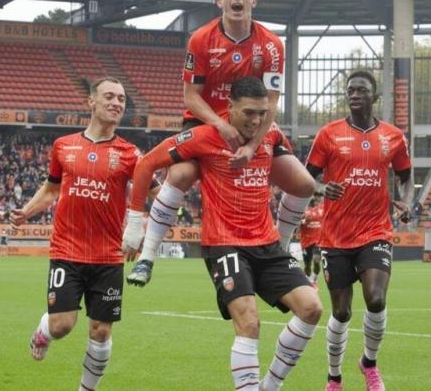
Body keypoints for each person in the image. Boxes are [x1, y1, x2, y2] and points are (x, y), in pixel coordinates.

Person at [125, 76, 321, 391]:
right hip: (224, 244)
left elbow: (300, 180)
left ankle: (270, 386)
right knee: (249, 322)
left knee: (312, 308)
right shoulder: (204, 137)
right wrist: (136, 219)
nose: (256, 120)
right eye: (248, 113)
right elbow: (146, 163)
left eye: (262, 112)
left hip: (267, 245)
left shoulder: (271, 136)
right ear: (229, 108)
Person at [124, 0, 315, 285]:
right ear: (219, 0)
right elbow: (190, 96)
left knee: (304, 184)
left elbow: (270, 101)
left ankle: (279, 250)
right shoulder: (200, 39)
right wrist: (222, 126)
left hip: (254, 124)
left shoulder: (272, 46)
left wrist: (252, 145)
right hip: (205, 121)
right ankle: (147, 258)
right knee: (181, 174)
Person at [10, 77, 157, 391]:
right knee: (62, 325)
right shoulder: (63, 146)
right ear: (91, 102)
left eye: (121, 99)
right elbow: (51, 190)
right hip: (67, 251)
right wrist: (27, 211)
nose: (117, 103)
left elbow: (157, 193)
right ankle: (43, 332)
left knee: (101, 331)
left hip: (108, 257)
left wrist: (142, 227)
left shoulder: (131, 154)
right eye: (109, 96)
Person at [305, 70, 413, 391]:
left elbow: (406, 177)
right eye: (350, 90)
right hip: (335, 236)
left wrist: (407, 202)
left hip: (375, 231)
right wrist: (324, 189)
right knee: (341, 311)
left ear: (374, 97)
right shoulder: (328, 134)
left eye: (361, 90)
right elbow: (306, 176)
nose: (354, 94)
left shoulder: (393, 136)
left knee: (376, 299)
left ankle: (369, 363)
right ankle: (334, 377)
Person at [299, 197, 324, 286]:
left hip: (318, 241)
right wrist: (302, 221)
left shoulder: (322, 209)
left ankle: (315, 279)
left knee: (316, 260)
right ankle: (308, 278)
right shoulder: (303, 211)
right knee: (307, 266)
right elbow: (298, 224)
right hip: (306, 242)